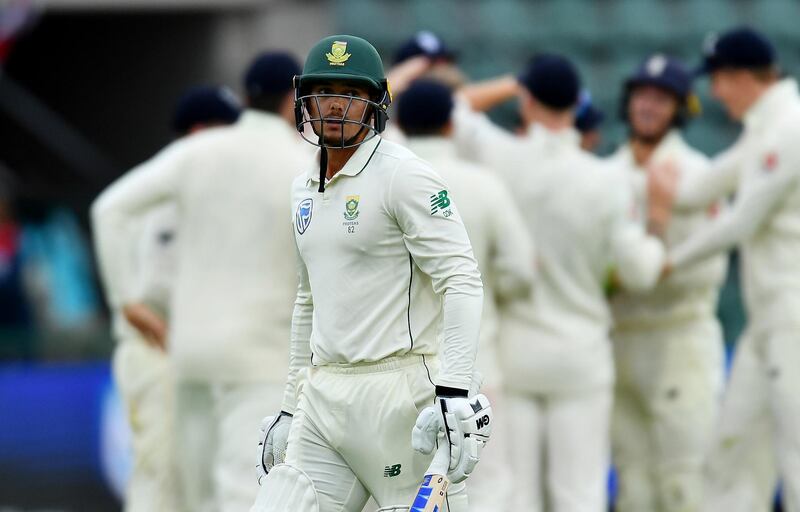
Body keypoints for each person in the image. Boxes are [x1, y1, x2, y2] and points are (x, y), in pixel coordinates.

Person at [253, 35, 491, 512]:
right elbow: (308, 300)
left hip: (400, 399)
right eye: (324, 94)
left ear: (375, 102)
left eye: (351, 94)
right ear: (305, 100)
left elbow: (461, 279)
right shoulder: (302, 185)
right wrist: (289, 402)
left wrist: (455, 392)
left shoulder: (404, 175)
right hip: (323, 398)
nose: (336, 107)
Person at [450, 54, 668, 512]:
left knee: (518, 497)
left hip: (515, 356)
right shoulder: (610, 179)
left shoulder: (498, 154)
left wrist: (513, 83)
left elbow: (451, 105)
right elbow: (641, 273)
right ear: (576, 105)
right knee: (579, 495)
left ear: (528, 101)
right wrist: (659, 229)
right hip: (580, 356)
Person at [92, 51, 307, 512]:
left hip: (190, 350)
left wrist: (124, 299)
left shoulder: (195, 152)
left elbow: (108, 209)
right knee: (246, 493)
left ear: (247, 96)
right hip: (261, 356)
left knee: (193, 497)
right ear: (292, 100)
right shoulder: (303, 162)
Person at [648, 26, 800, 512]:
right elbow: (703, 188)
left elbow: (739, 222)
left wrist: (669, 261)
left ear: (742, 77)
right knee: (729, 452)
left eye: (718, 79)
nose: (713, 93)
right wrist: (661, 179)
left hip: (793, 317)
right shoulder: (763, 130)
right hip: (768, 323)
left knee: (794, 456)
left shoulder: (788, 128)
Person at [91, 85, 241, 512]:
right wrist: (126, 301)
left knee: (201, 478)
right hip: (156, 351)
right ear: (198, 132)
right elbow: (110, 217)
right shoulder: (166, 183)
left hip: (191, 352)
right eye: (224, 130)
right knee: (162, 476)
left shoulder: (206, 185)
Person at [395, 79, 535, 511]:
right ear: (452, 125)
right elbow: (521, 272)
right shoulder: (483, 183)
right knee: (487, 488)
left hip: (397, 372)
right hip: (475, 368)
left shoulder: (386, 181)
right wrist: (491, 291)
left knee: (400, 492)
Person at [606, 54, 727, 512]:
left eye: (661, 98)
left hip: (681, 337)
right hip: (623, 340)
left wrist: (645, 265)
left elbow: (709, 269)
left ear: (680, 108)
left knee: (684, 479)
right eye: (641, 96)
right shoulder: (607, 176)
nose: (648, 107)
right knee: (634, 483)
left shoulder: (697, 174)